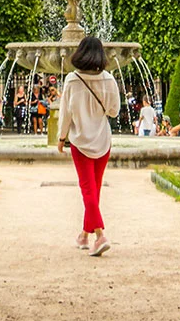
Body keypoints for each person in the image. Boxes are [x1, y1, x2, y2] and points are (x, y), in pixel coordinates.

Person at [57, 34, 121, 258]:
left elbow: (65, 112)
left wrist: (61, 137)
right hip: (103, 140)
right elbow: (114, 111)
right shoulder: (110, 80)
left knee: (88, 189)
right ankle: (84, 235)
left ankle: (100, 235)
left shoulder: (72, 80)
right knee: (94, 188)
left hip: (80, 140)